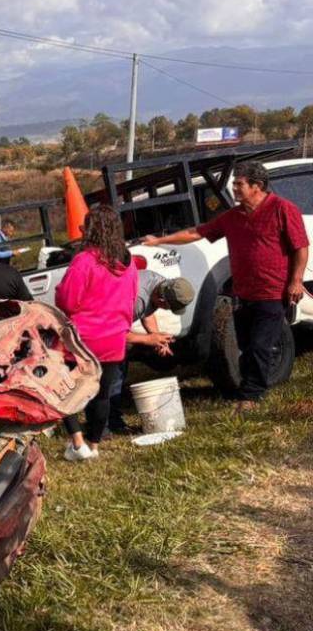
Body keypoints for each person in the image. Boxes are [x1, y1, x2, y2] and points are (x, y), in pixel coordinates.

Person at [144, 160, 309, 409]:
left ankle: (251, 396)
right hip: (242, 293)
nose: (234, 188)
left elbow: (301, 248)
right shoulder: (233, 216)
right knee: (244, 344)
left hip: (273, 291)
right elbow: (196, 233)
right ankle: (249, 387)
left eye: (239, 184)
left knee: (260, 346)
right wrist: (159, 241)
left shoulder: (283, 209)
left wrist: (295, 281)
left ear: (257, 186)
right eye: (234, 183)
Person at [55, 205, 139, 461]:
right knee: (102, 394)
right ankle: (94, 444)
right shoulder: (128, 261)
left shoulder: (85, 260)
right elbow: (132, 298)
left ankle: (77, 441)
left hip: (82, 339)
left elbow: (67, 301)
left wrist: (60, 290)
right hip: (114, 338)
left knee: (65, 390)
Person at [107, 274, 196, 434]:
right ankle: (106, 427)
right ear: (162, 300)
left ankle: (112, 422)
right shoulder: (136, 299)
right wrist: (148, 339)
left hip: (113, 328)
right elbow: (112, 331)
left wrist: (157, 337)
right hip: (96, 330)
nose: (166, 310)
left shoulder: (160, 282)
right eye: (168, 307)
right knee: (110, 380)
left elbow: (147, 312)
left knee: (118, 375)